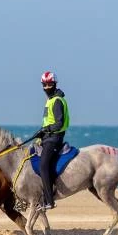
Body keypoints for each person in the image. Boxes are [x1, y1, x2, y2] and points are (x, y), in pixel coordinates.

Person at [30, 70, 70, 209]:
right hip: (48, 137)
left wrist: (45, 130)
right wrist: (41, 134)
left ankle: (49, 201)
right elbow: (48, 121)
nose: (47, 87)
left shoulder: (57, 101)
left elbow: (59, 123)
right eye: (44, 85)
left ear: (55, 84)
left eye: (49, 84)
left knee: (43, 165)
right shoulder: (50, 100)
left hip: (54, 138)